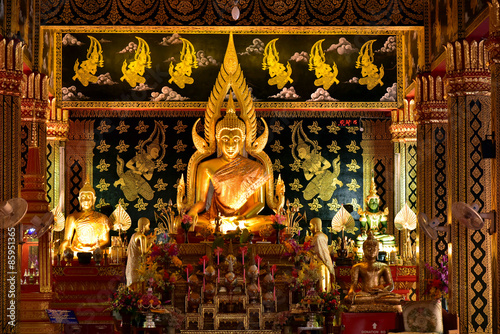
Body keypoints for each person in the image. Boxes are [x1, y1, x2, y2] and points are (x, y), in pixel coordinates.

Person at [187, 97, 271, 231]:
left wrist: (241, 218)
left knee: (269, 223)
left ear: (243, 140)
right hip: (214, 219)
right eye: (226, 139)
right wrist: (192, 212)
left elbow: (259, 203)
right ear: (218, 140)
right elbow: (201, 202)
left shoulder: (256, 168)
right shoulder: (205, 166)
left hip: (243, 220)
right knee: (185, 223)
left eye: (236, 139)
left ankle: (232, 226)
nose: (231, 144)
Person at [345, 231, 403, 312]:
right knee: (348, 299)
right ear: (363, 250)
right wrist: (351, 292)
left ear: (378, 251)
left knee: (398, 299)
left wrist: (381, 289)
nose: (371, 250)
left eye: (373, 248)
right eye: (368, 247)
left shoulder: (384, 266)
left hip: (379, 295)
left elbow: (391, 285)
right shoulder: (358, 267)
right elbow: (353, 285)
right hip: (365, 295)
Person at [60, 181, 111, 253]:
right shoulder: (72, 217)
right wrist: (63, 245)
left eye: (89, 197)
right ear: (79, 200)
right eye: (83, 197)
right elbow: (67, 240)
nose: (86, 200)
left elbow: (106, 241)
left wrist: (93, 247)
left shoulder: (103, 218)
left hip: (95, 252)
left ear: (94, 200)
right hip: (77, 251)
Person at [356, 177, 395, 251]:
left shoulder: (381, 214)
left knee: (391, 237)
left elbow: (384, 227)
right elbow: (363, 227)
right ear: (367, 202)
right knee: (359, 237)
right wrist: (364, 232)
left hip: (378, 235)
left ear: (378, 202)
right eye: (372, 201)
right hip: (368, 236)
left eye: (375, 201)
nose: (374, 203)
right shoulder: (364, 214)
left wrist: (382, 231)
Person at [309, 217, 335, 291]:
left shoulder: (318, 237)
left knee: (321, 290)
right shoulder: (320, 236)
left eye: (311, 226)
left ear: (315, 226)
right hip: (317, 265)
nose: (310, 228)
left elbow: (323, 253)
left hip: (320, 266)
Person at [126, 217, 151, 288]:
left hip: (131, 264)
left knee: (132, 290)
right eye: (148, 226)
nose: (149, 228)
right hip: (138, 267)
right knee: (139, 287)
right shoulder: (142, 237)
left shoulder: (134, 235)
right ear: (144, 225)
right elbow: (144, 252)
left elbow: (129, 250)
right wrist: (151, 244)